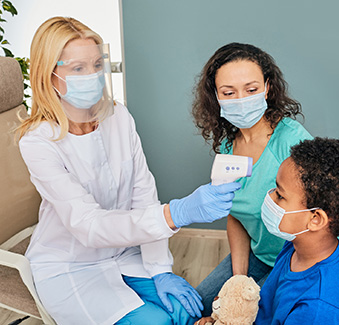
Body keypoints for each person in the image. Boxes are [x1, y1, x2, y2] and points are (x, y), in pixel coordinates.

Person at [17, 17, 241, 325]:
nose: (93, 75)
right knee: (158, 322)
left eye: (97, 64)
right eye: (78, 68)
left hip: (124, 255)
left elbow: (143, 194)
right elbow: (89, 225)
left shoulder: (118, 116)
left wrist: (161, 269)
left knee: (185, 311)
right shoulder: (39, 142)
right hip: (71, 266)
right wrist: (175, 213)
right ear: (50, 74)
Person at [193, 42, 339, 316]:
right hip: (262, 256)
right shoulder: (229, 145)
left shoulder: (290, 141)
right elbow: (236, 214)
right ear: (216, 97)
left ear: (267, 87)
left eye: (250, 90)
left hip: (304, 257)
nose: (240, 100)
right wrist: (238, 279)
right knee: (195, 307)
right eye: (229, 92)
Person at [196, 137, 339, 325]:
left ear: (315, 219)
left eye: (280, 196)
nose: (270, 196)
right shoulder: (296, 246)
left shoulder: (318, 311)